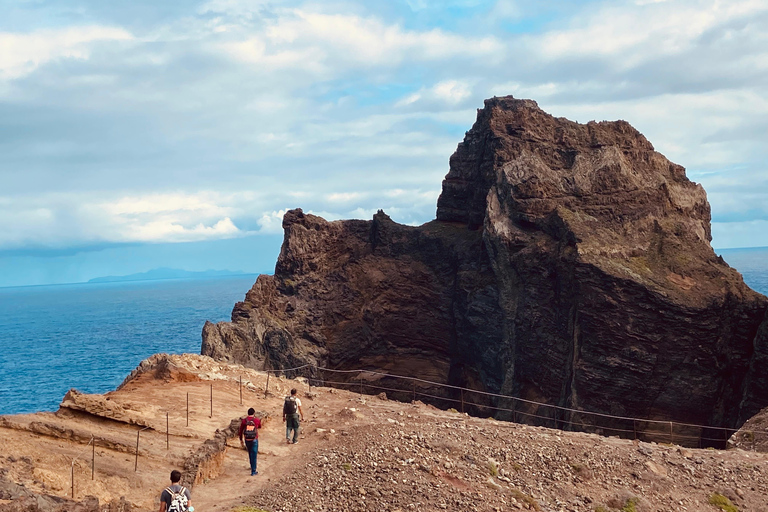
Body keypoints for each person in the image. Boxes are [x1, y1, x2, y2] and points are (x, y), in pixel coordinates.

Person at [238, 407, 262, 476]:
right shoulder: (256, 420)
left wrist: (241, 439)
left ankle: (252, 466)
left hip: (247, 439)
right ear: (254, 413)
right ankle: (253, 470)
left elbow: (240, 430)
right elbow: (260, 426)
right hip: (254, 439)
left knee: (250, 453)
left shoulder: (244, 421)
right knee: (254, 454)